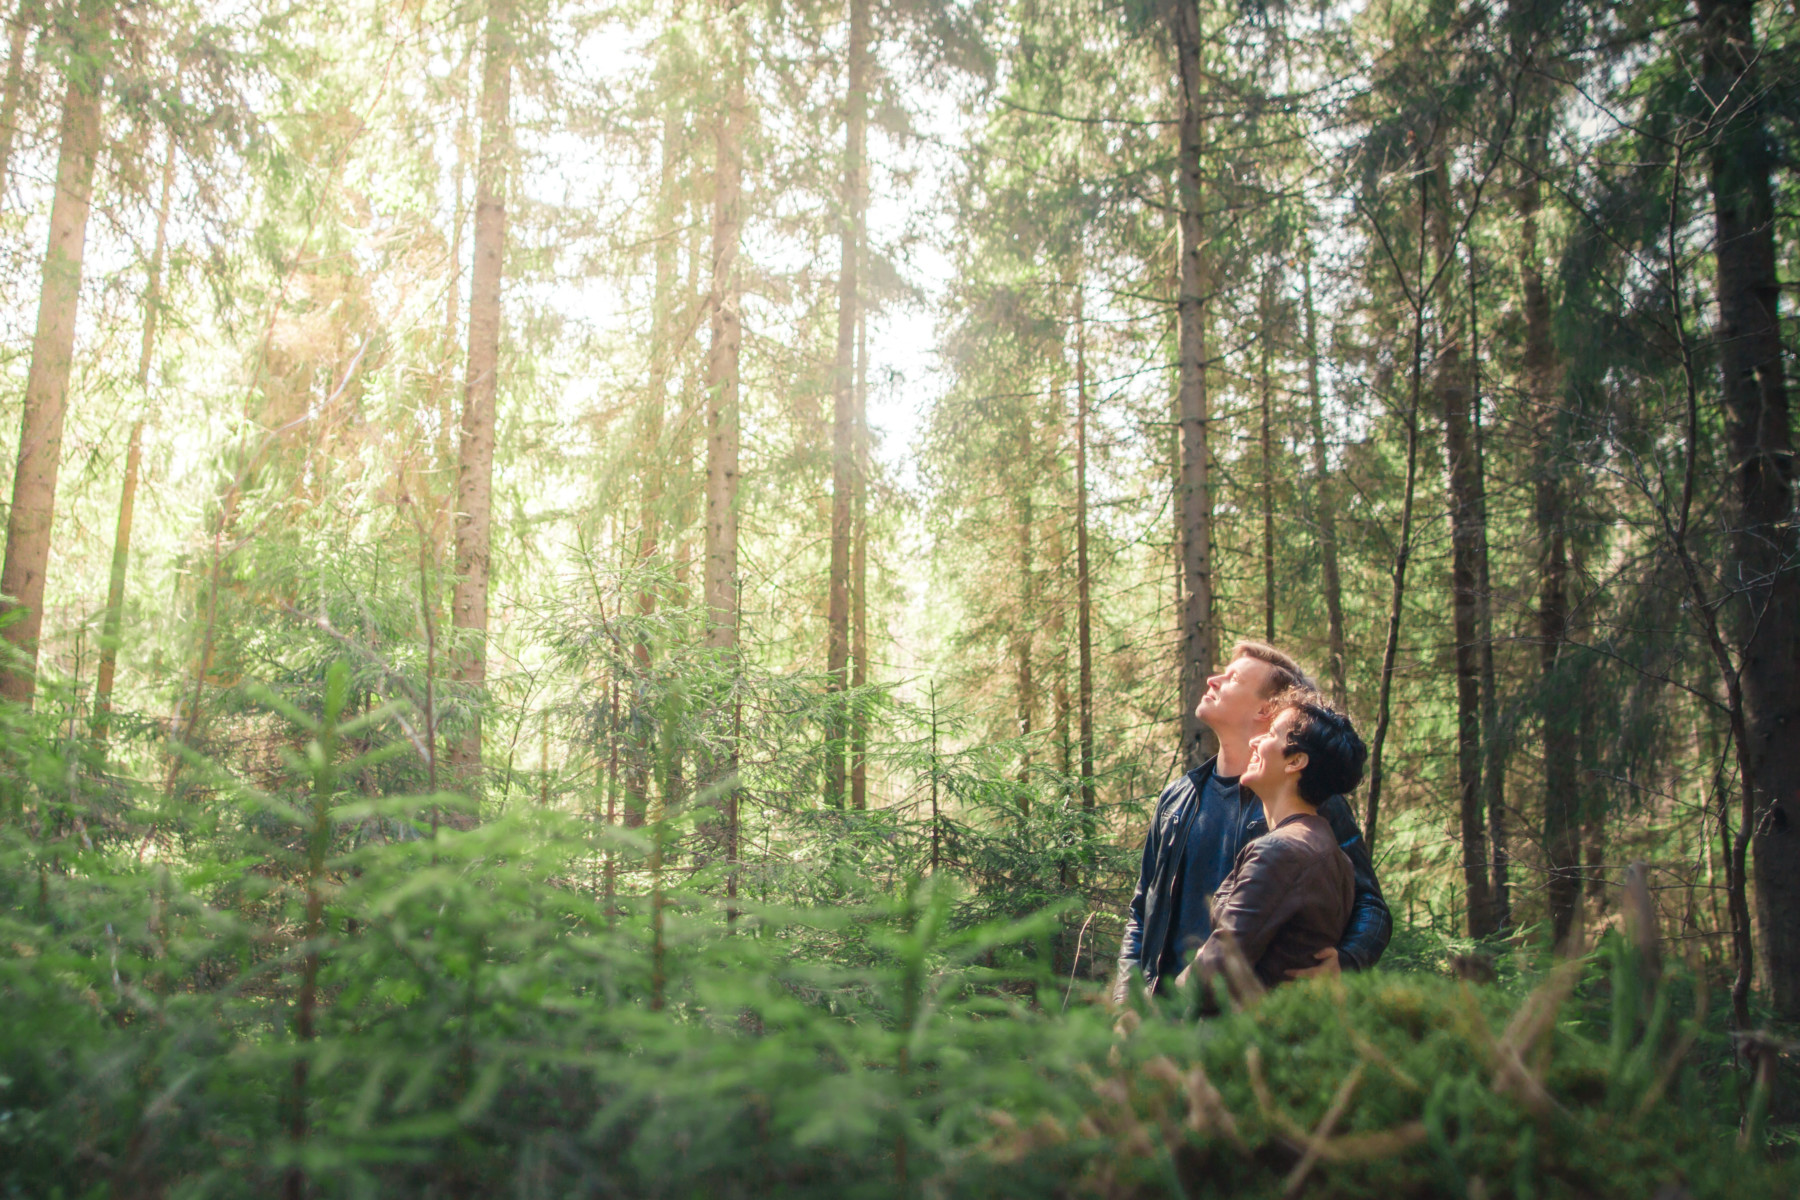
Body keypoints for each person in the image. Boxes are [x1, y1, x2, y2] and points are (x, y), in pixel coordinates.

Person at [1111, 642, 1389, 1004]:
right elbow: (1141, 912)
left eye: (1233, 677)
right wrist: (1126, 1006)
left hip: (1240, 1024)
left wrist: (1349, 960)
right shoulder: (1176, 799)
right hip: (1164, 1024)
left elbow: (1370, 903)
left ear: (1265, 710)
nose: (1213, 679)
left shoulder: (1314, 805)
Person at [1172, 692, 1364, 1008]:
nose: (1255, 743)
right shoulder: (1331, 853)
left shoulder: (1280, 853)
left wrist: (1151, 1010)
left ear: (1295, 761)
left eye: (1272, 734)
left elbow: (1212, 976)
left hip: (1244, 1043)